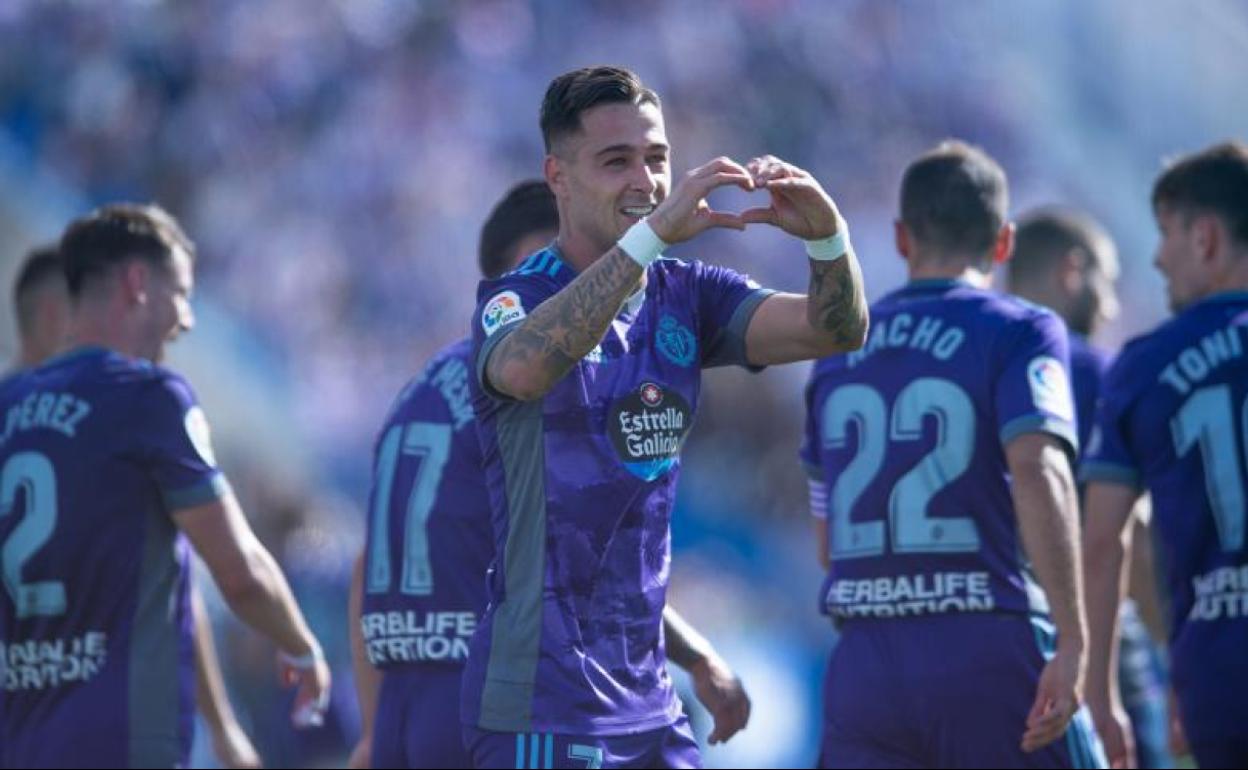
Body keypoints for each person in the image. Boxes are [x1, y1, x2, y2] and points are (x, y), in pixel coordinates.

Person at [462, 66, 868, 768]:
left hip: (650, 703)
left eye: (656, 158)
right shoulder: (513, 299)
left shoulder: (685, 295)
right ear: (558, 176)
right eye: (616, 161)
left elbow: (832, 330)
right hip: (543, 702)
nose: (645, 182)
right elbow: (525, 369)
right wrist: (647, 241)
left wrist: (828, 238)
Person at [349, 179, 752, 769]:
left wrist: (373, 728)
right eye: (568, 266)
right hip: (488, 705)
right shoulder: (530, 399)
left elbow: (367, 566)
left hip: (402, 709)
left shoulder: (419, 389)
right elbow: (574, 563)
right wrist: (696, 657)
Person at [801, 140, 1105, 768]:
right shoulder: (1022, 328)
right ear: (1003, 244)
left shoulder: (836, 350)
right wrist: (1075, 641)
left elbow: (829, 540)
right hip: (984, 638)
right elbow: (1039, 469)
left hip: (864, 660)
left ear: (902, 238)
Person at [0, 203, 329, 767]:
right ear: (137, 284)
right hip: (123, 741)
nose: (187, 318)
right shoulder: (149, 398)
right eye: (181, 293)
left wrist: (221, 725)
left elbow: (169, 581)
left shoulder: (7, 409)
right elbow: (240, 573)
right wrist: (302, 646)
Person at [1083, 141, 1248, 769]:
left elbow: (1105, 544)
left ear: (1205, 237)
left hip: (1218, 671)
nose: (1157, 256)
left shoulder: (1146, 365)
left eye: (1167, 231)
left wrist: (1101, 693)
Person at [1010, 209, 1174, 769]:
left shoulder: (968, 357)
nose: (1109, 305)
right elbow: (1137, 536)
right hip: (1088, 641)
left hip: (975, 631)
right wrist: (1179, 656)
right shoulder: (1098, 372)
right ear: (1072, 271)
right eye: (1107, 282)